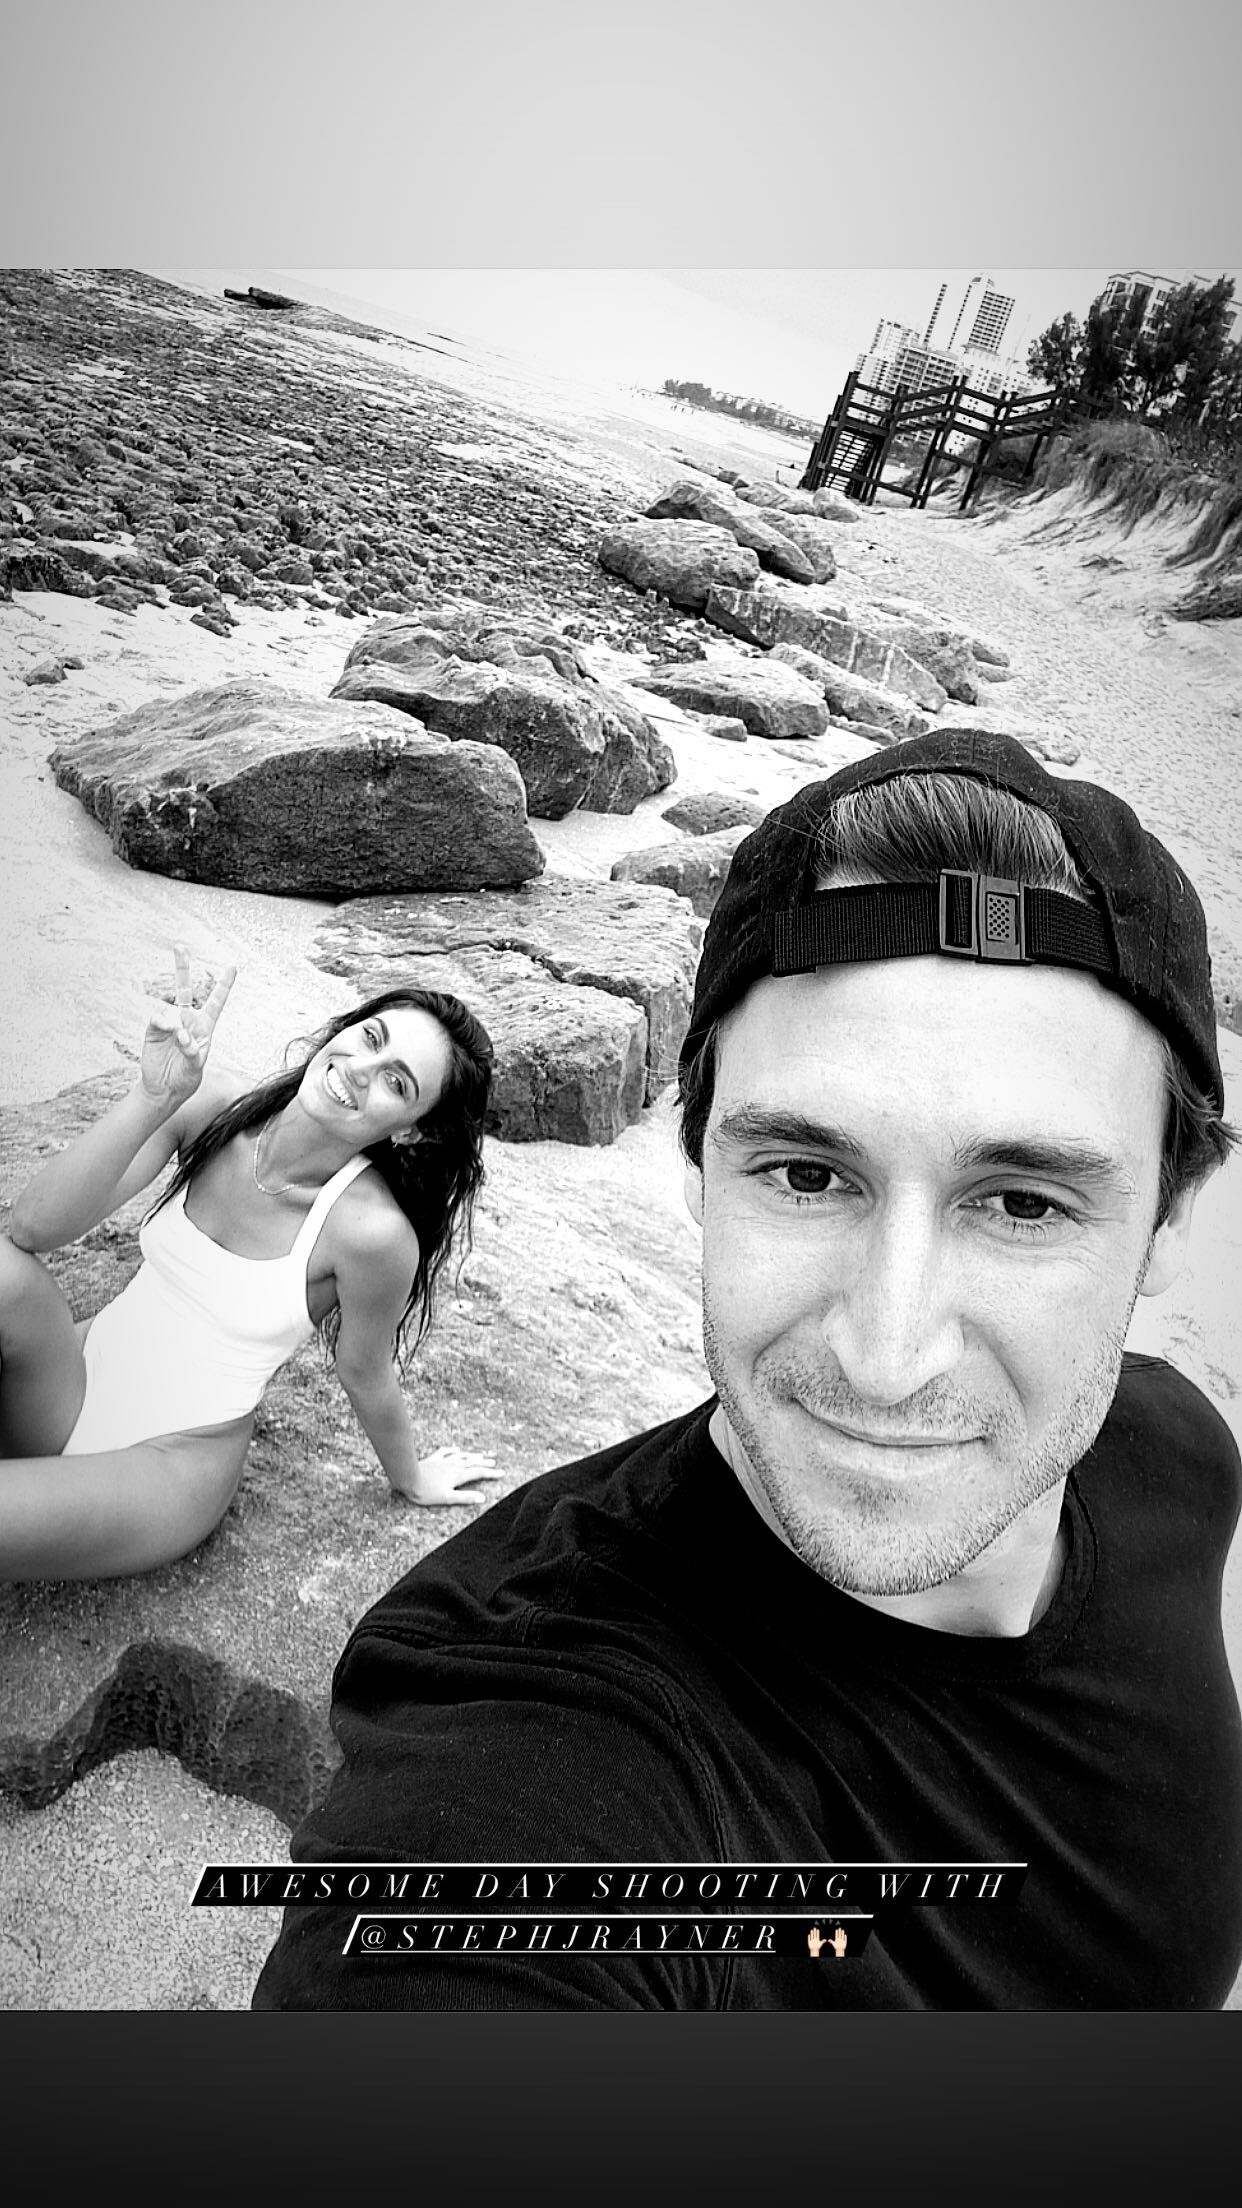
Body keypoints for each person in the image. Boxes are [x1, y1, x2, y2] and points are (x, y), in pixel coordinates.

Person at [253, 730, 1242, 2011]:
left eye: (1024, 1204)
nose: (887, 1358)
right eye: (809, 1175)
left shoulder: (1175, 1451)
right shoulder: (539, 1741)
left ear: (1169, 1219)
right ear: (698, 1167)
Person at [1, 949, 498, 1581]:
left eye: (396, 1083)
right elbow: (32, 1229)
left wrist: (414, 1477)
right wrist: (154, 1098)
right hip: (71, 1380)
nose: (360, 1069)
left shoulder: (371, 1234)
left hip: (169, 1466)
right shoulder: (213, 1106)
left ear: (411, 1131)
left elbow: (366, 1373)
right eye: (371, 1038)